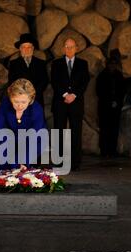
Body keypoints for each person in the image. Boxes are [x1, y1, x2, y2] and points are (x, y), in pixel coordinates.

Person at [0, 79, 47, 171]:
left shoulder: (37, 109)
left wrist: (22, 161)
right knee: (1, 166)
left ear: (30, 99)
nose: (20, 106)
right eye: (16, 102)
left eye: (23, 102)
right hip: (10, 138)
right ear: (10, 98)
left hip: (33, 140)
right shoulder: (5, 104)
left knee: (17, 167)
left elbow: (34, 138)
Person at [51, 38, 90, 171]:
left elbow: (85, 82)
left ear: (76, 48)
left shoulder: (83, 64)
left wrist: (73, 95)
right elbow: (54, 81)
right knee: (58, 131)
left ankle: (75, 162)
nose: (69, 49)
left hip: (76, 103)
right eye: (67, 47)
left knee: (76, 132)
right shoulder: (56, 64)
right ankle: (58, 160)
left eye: (72, 47)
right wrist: (65, 94)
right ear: (63, 48)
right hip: (60, 102)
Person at [96, 53, 126, 158]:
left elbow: (122, 91)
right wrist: (109, 101)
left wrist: (117, 101)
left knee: (114, 129)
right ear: (107, 64)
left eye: (114, 64)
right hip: (104, 107)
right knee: (104, 129)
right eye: (110, 64)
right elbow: (99, 91)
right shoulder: (102, 75)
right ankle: (104, 150)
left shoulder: (119, 76)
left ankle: (112, 150)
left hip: (115, 107)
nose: (112, 66)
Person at [8, 33, 48, 108]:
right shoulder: (14, 64)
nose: (26, 50)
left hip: (36, 99)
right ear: (20, 49)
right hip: (20, 101)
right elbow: (12, 81)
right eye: (24, 47)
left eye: (29, 47)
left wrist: (32, 94)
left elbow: (44, 80)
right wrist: (22, 95)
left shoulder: (40, 63)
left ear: (33, 48)